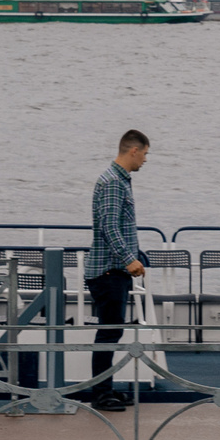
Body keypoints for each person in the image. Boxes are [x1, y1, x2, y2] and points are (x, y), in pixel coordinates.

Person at [83, 129, 150, 410]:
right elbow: (110, 226)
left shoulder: (119, 180)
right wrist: (128, 259)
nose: (146, 160)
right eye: (145, 154)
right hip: (108, 270)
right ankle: (101, 394)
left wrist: (136, 254)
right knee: (108, 333)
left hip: (114, 270)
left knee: (112, 331)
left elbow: (118, 225)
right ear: (133, 150)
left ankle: (105, 388)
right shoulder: (113, 183)